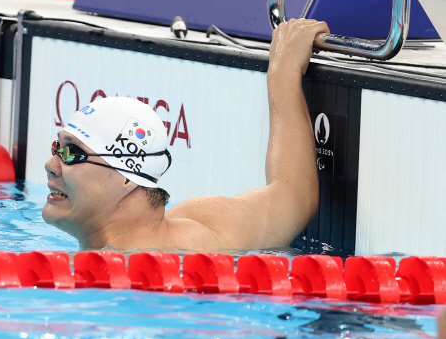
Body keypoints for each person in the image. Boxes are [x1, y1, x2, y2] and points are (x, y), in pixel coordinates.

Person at [43, 19, 327, 251]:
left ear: (127, 176)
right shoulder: (205, 228)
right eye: (58, 148)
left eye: (72, 153)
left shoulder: (84, 280)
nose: (51, 164)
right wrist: (283, 71)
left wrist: (281, 68)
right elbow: (294, 196)